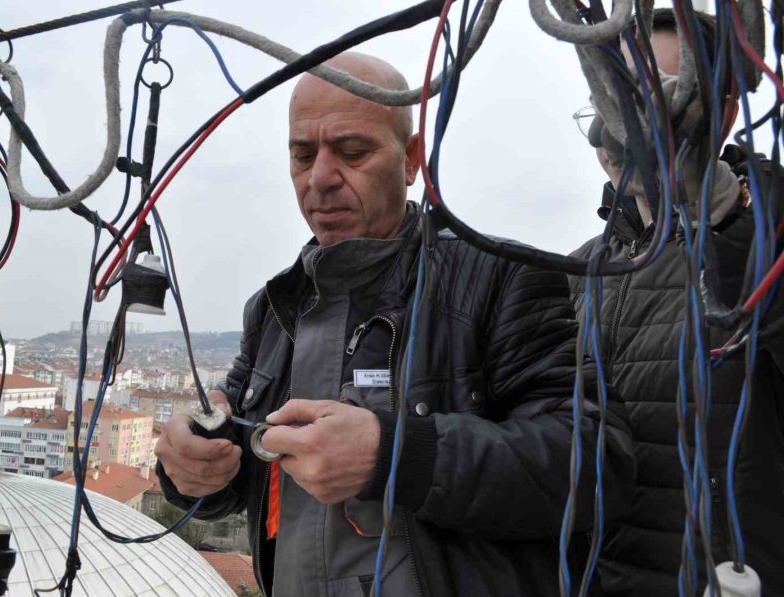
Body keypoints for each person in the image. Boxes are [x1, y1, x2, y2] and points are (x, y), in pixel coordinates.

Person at [156, 52, 635, 596]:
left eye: (352, 152)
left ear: (410, 161)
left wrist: (397, 456)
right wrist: (193, 467)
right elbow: (241, 482)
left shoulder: (500, 278)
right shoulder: (272, 309)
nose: (320, 178)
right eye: (302, 155)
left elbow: (598, 464)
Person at [569, 9, 784, 596]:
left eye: (665, 99)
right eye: (616, 101)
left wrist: (723, 218)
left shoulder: (771, 239)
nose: (629, 127)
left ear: (726, 115)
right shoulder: (576, 273)